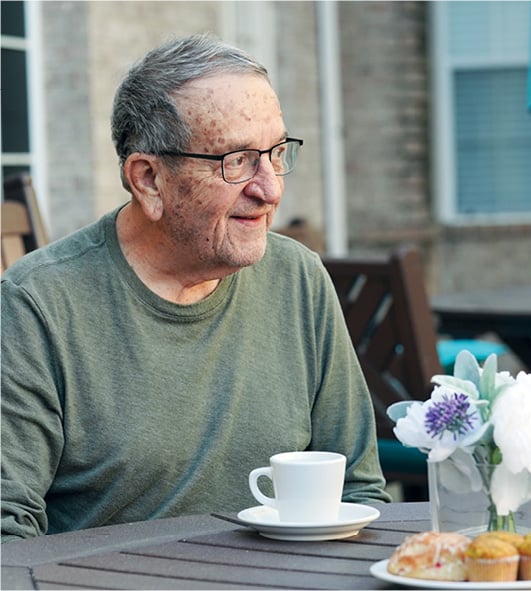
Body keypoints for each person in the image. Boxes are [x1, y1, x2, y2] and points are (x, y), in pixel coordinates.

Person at [1, 33, 390, 542]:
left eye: (276, 153)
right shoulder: (36, 306)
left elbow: (357, 494)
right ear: (148, 180)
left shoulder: (300, 279)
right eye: (237, 160)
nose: (269, 188)